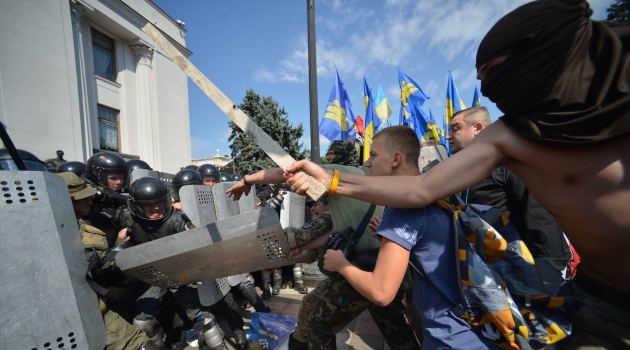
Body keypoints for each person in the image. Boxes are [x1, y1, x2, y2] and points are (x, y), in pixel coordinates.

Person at [285, 1, 630, 348]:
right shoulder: (510, 136)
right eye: (482, 79)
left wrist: (546, 273)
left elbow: (536, 221)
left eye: (494, 71)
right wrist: (329, 178)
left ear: (547, 52)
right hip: (594, 303)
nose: (491, 89)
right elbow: (420, 188)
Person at [228, 140, 419, 350]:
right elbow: (335, 232)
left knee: (320, 324)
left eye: (373, 155)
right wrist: (300, 251)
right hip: (385, 267)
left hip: (359, 269)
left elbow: (286, 172)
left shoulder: (344, 176)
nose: (368, 161)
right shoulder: (391, 186)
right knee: (396, 328)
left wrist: (247, 180)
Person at [322, 126, 500, 349]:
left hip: (450, 337)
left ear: (396, 159)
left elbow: (381, 292)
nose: (367, 163)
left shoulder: (401, 210)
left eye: (374, 155)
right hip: (482, 330)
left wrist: (341, 264)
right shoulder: (443, 196)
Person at [114, 177, 250, 350]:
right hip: (155, 276)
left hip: (182, 274)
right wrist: (122, 240)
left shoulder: (177, 219)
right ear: (137, 207)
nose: (157, 209)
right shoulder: (129, 219)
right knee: (142, 322)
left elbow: (197, 241)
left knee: (204, 319)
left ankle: (228, 341)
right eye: (150, 206)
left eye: (160, 203)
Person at [447, 106, 573, 274]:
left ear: (477, 128)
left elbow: (539, 215)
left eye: (455, 129)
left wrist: (549, 271)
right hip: (489, 275)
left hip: (526, 273)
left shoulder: (510, 163)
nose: (448, 136)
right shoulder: (461, 175)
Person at [58, 172, 161, 350]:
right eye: (82, 199)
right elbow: (100, 263)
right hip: (80, 311)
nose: (89, 201)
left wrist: (121, 243)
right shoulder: (72, 229)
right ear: (64, 200)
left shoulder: (77, 222)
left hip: (95, 306)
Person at [85, 152, 131, 216]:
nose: (119, 182)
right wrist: (120, 198)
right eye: (113, 178)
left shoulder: (126, 192)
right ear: (98, 177)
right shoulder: (86, 192)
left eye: (122, 178)